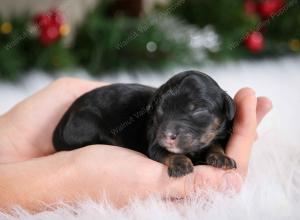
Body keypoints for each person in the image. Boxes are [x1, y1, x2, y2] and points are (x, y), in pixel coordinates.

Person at [0, 77, 272, 212]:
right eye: (163, 113)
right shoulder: (157, 130)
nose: (169, 130)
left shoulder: (222, 120)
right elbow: (156, 147)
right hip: (88, 122)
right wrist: (66, 171)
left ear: (226, 110)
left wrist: (215, 152)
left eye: (197, 111)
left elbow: (217, 141)